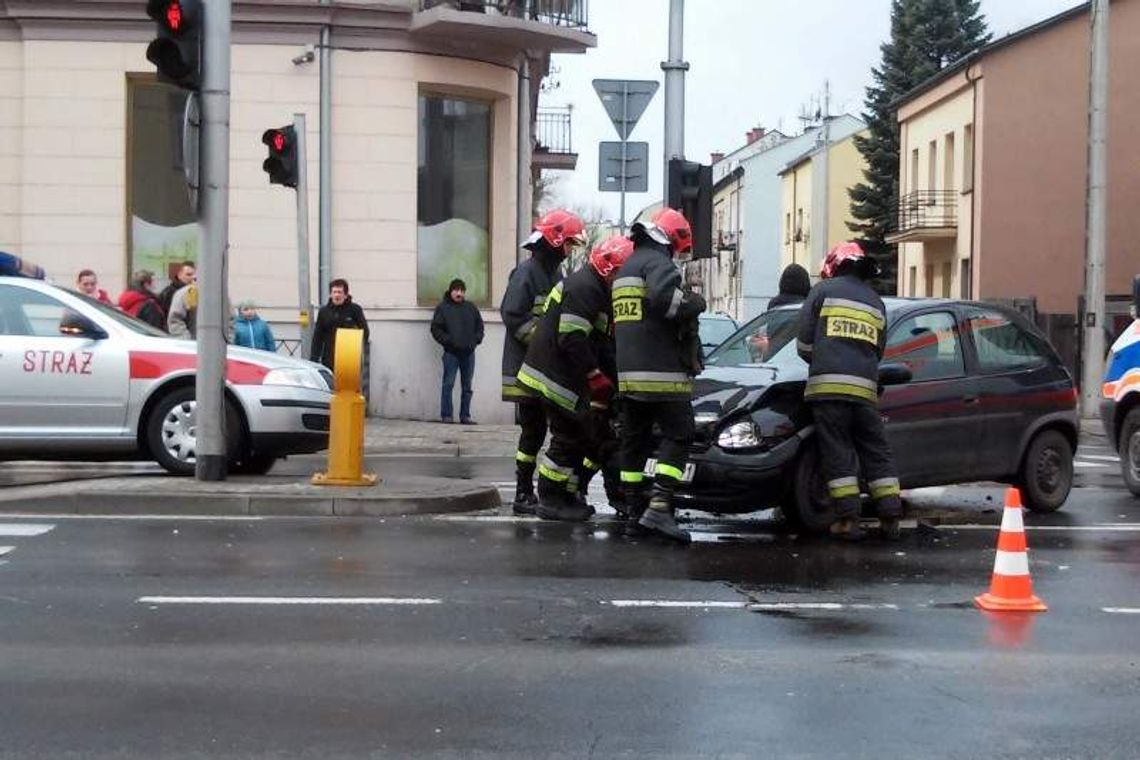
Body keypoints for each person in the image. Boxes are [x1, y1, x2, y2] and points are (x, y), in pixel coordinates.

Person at [517, 235, 632, 522]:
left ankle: (566, 495)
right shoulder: (586, 288)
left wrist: (611, 376)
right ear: (609, 269)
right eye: (622, 273)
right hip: (555, 376)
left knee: (581, 435)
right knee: (567, 438)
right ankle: (551, 499)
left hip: (557, 373)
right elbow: (572, 336)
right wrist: (594, 376)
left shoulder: (594, 288)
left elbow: (601, 344)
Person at [797, 241, 902, 541]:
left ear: (834, 265)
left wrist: (823, 358)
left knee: (838, 451)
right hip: (865, 392)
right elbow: (878, 350)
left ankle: (847, 519)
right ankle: (890, 515)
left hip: (828, 390)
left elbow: (804, 344)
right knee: (876, 450)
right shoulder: (875, 301)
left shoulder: (821, 292)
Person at [613, 208, 707, 542]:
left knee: (633, 441)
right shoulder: (658, 264)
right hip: (661, 374)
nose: (676, 255)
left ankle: (634, 510)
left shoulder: (627, 267)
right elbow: (665, 300)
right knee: (680, 434)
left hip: (629, 375)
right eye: (678, 248)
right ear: (671, 239)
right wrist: (696, 302)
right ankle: (659, 506)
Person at [500, 209, 586, 516]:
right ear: (554, 240)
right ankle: (523, 491)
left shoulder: (553, 273)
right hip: (528, 368)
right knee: (532, 432)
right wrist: (543, 342)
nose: (569, 251)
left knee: (551, 431)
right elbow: (512, 315)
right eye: (568, 244)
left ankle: (546, 490)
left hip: (546, 369)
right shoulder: (527, 273)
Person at [430, 278, 484, 424]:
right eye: (456, 290)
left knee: (467, 386)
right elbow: (435, 329)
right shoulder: (443, 308)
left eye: (462, 290)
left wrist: (475, 340)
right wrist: (448, 341)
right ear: (451, 291)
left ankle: (465, 416)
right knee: (448, 384)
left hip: (468, 353)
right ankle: (446, 415)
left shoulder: (471, 308)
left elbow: (480, 326)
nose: (459, 293)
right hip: (451, 353)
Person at [311, 278, 370, 371]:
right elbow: (317, 337)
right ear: (330, 294)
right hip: (329, 357)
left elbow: (365, 332)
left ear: (345, 295)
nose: (337, 295)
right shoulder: (324, 312)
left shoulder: (355, 310)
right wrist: (314, 359)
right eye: (334, 292)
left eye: (339, 292)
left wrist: (358, 350)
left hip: (349, 358)